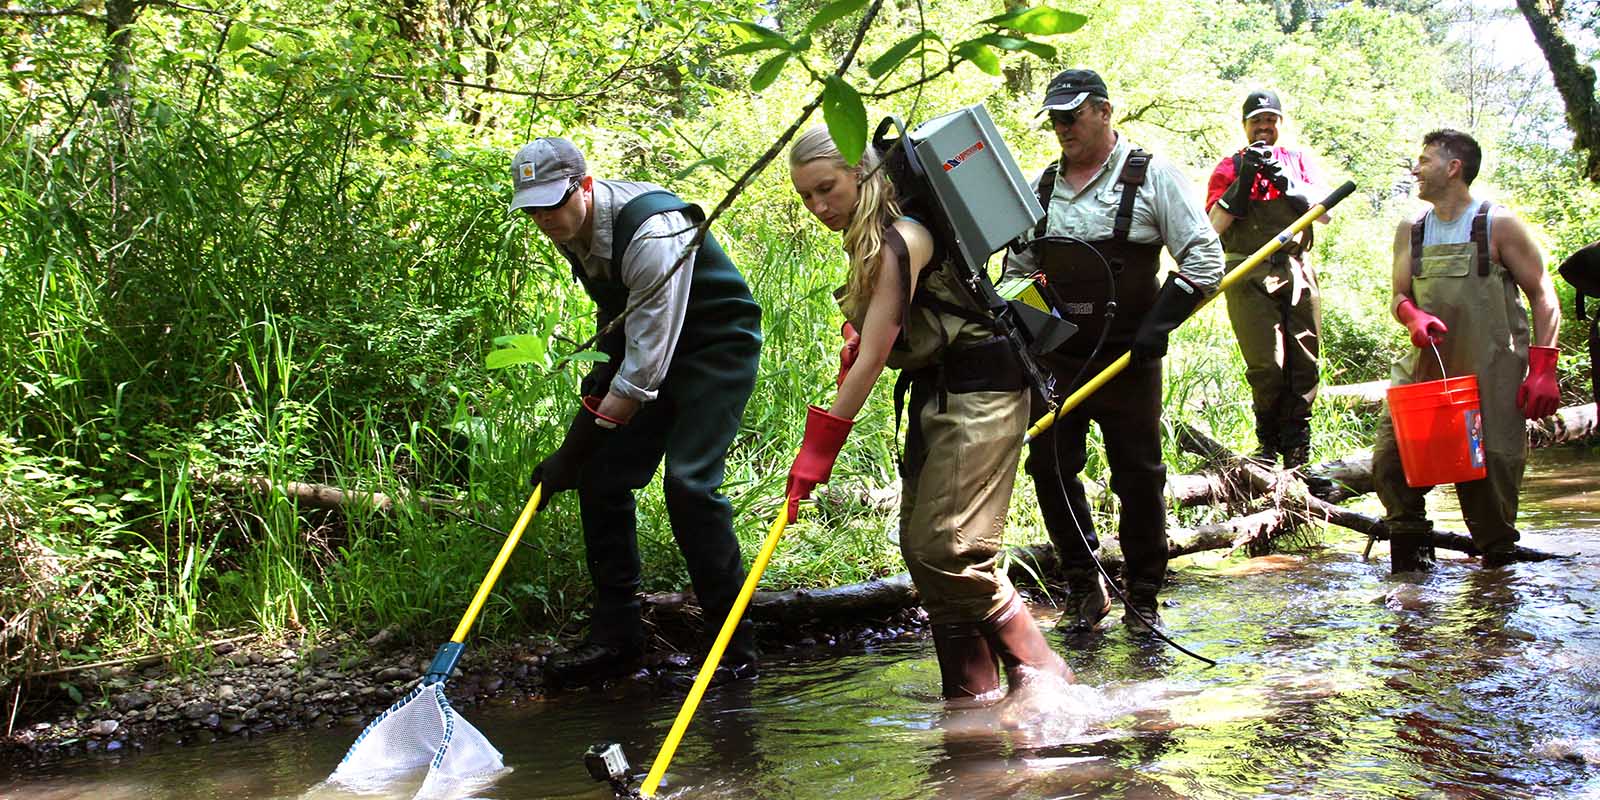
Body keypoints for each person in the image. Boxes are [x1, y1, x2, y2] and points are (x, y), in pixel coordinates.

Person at [785, 125, 1074, 702]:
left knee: (952, 549)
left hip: (983, 392)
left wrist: (815, 457)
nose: (819, 207)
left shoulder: (902, 238)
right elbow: (880, 332)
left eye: (827, 188)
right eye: (806, 197)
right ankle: (972, 701)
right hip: (937, 391)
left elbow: (872, 358)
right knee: (921, 551)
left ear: (861, 173)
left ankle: (1051, 682)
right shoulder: (875, 238)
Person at [510, 137, 763, 685]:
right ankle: (618, 636)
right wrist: (581, 454)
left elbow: (644, 372)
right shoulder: (569, 228)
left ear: (583, 185)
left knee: (691, 487)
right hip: (651, 349)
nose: (543, 218)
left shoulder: (652, 231)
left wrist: (576, 446)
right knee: (602, 479)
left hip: (715, 349)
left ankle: (733, 651)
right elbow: (623, 325)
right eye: (532, 208)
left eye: (553, 202)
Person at [1004, 69, 1224, 633]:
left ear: (1103, 112)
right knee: (1050, 468)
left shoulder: (1154, 177)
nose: (1061, 128)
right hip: (1057, 358)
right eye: (1053, 118)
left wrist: (1161, 323)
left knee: (1138, 475)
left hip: (1130, 356)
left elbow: (1204, 260)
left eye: (1071, 116)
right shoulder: (1039, 188)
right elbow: (1018, 271)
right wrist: (1030, 327)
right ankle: (1084, 585)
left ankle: (1145, 596)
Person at [1373, 129, 1561, 572]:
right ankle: (1412, 584)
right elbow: (1400, 295)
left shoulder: (1499, 223)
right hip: (1427, 367)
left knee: (1490, 478)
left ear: (1453, 167)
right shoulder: (1411, 229)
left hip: (1492, 367)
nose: (1415, 169)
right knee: (1392, 461)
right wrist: (1411, 317)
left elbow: (1543, 294)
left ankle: (1496, 598)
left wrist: (1543, 367)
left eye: (1424, 161)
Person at [1205, 89, 1332, 468]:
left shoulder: (1298, 162)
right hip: (1248, 272)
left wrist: (1290, 186)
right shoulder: (1228, 167)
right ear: (1244, 126)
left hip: (1296, 268)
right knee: (1267, 364)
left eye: (1270, 120)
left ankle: (1297, 448)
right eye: (1256, 121)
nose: (1264, 127)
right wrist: (1241, 184)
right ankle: (1267, 445)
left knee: (1304, 359)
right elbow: (1213, 227)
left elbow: (1325, 215)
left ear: (1280, 123)